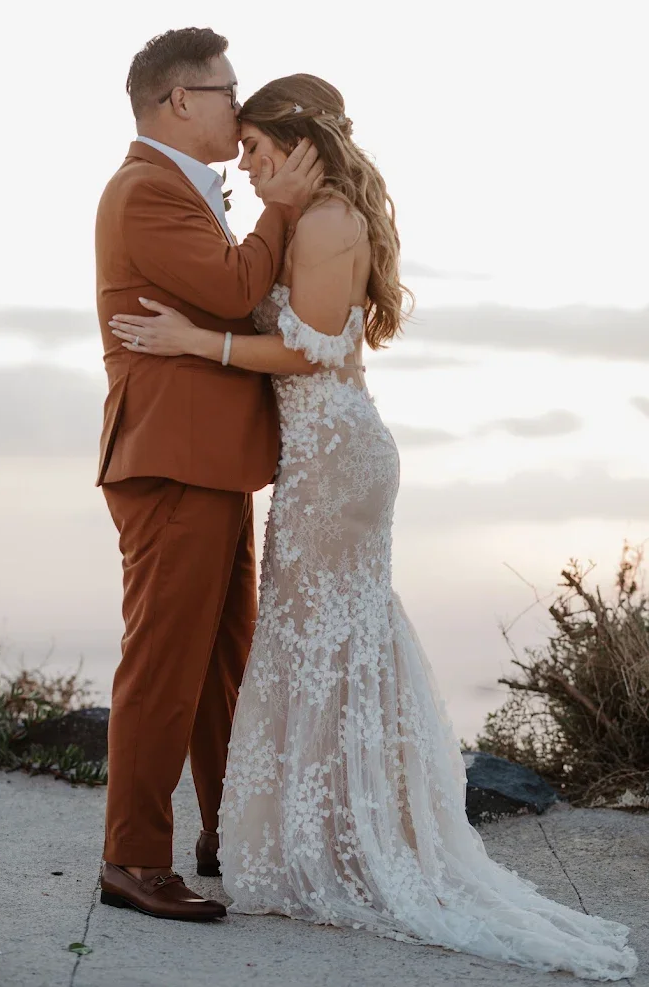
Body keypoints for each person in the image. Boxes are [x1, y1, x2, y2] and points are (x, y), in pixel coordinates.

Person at [108, 74, 638, 978]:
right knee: (322, 643)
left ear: (301, 148)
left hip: (336, 460)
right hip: (313, 460)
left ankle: (338, 838)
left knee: (326, 642)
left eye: (260, 149)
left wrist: (198, 341)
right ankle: (310, 831)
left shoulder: (321, 222)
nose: (248, 161)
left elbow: (308, 346)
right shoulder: (280, 214)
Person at [95, 28, 322, 921]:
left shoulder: (182, 187)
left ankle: (230, 833)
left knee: (223, 661)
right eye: (229, 90)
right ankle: (133, 858)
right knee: (164, 665)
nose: (240, 103)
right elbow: (232, 289)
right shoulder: (144, 190)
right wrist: (283, 209)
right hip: (171, 460)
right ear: (181, 100)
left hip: (212, 461)